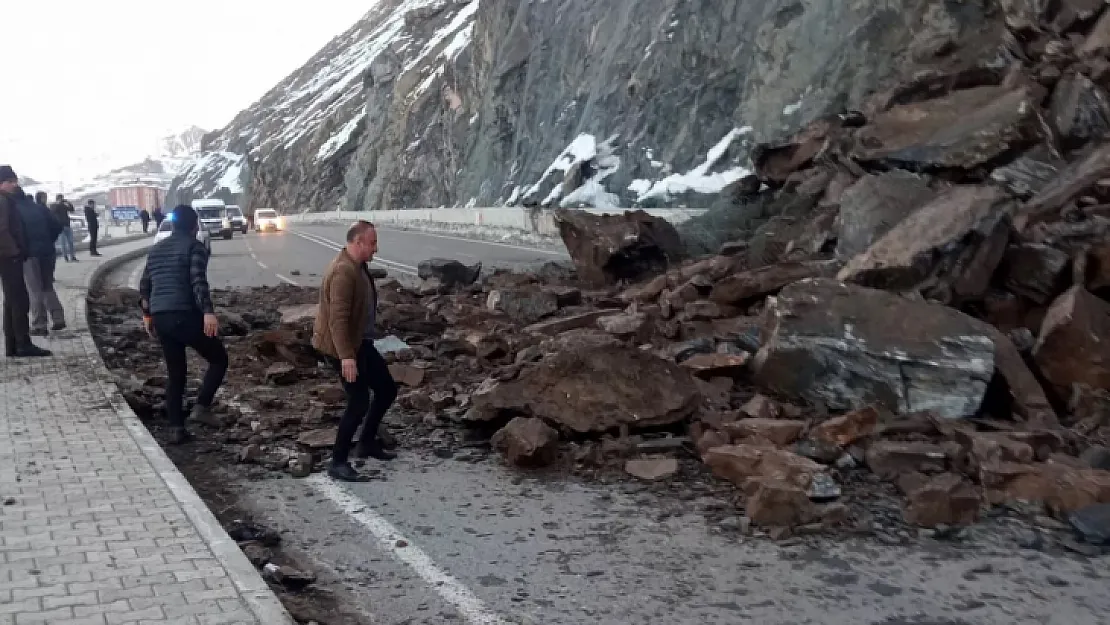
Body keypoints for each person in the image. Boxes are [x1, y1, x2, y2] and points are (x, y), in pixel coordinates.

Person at [312, 220, 398, 482]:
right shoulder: (343, 272)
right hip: (342, 347)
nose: (376, 248)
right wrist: (346, 357)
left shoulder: (358, 266)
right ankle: (338, 462)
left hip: (360, 343)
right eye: (372, 243)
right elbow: (337, 320)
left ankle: (367, 443)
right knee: (359, 401)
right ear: (358, 242)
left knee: (386, 389)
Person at [138, 205, 227, 444]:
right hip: (185, 314)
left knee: (176, 374)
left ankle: (177, 429)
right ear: (194, 225)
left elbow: (145, 284)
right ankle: (201, 407)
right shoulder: (195, 247)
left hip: (161, 317)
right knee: (219, 359)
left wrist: (147, 315)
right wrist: (208, 313)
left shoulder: (155, 250)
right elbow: (198, 282)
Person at [0, 166, 50, 358]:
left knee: (11, 301)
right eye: (10, 181)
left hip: (7, 257)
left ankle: (12, 345)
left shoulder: (6, 200)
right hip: (8, 257)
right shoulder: (3, 201)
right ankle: (22, 344)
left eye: (15, 181)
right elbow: (2, 230)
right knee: (19, 300)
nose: (15, 184)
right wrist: (15, 251)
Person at [18, 191, 66, 335]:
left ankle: (40, 324)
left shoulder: (15, 210)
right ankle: (58, 318)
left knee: (34, 289)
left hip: (30, 255)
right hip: (48, 252)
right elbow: (57, 226)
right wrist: (48, 241)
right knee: (47, 286)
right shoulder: (40, 208)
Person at [50, 193, 76, 262]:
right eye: (60, 198)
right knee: (63, 243)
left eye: (62, 198)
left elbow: (72, 210)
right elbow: (52, 211)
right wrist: (58, 204)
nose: (61, 199)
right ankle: (65, 256)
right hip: (60, 226)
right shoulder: (53, 205)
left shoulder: (64, 206)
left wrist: (68, 202)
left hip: (67, 225)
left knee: (70, 242)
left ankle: (72, 256)